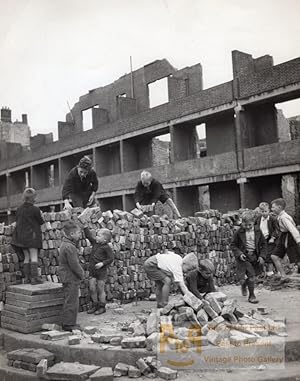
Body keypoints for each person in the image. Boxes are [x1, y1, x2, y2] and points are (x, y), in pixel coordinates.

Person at [231, 211, 267, 304]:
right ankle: (252, 295)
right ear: (242, 223)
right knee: (251, 275)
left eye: (249, 225)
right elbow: (233, 245)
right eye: (245, 224)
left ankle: (244, 284)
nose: (247, 227)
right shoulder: (239, 232)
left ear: (253, 223)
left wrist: (262, 256)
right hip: (244, 257)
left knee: (255, 274)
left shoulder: (258, 231)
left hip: (255, 256)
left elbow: (264, 244)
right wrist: (239, 254)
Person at [12, 188, 44, 285]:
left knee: (26, 257)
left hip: (21, 237)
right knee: (34, 256)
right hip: (32, 236)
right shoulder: (35, 209)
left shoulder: (19, 209)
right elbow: (41, 222)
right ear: (33, 198)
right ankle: (34, 279)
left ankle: (27, 279)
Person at [58, 221, 84, 331]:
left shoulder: (66, 244)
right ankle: (68, 324)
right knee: (72, 300)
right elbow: (74, 264)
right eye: (78, 233)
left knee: (70, 299)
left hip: (66, 276)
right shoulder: (70, 247)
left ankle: (68, 322)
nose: (80, 235)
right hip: (71, 277)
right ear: (72, 234)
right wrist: (81, 274)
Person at [84, 226, 114, 315]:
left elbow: (111, 258)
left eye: (98, 236)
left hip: (101, 272)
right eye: (96, 235)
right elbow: (89, 236)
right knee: (92, 288)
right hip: (93, 270)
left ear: (104, 240)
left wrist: (102, 263)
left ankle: (102, 306)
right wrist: (85, 227)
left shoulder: (106, 247)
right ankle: (95, 304)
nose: (96, 237)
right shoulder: (95, 243)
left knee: (100, 288)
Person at [271, 198, 300, 279]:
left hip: (289, 237)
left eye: (273, 207)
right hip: (283, 236)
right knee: (274, 256)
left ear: (279, 207)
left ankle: (287, 275)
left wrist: (298, 241)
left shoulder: (284, 218)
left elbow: (293, 229)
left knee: (296, 259)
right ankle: (283, 275)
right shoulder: (280, 216)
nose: (271, 209)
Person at [255, 202, 279, 277]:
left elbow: (277, 230)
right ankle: (261, 272)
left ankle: (270, 272)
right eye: (262, 212)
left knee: (269, 255)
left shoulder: (272, 219)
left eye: (266, 211)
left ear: (269, 210)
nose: (264, 213)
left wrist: (273, 237)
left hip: (270, 240)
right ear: (260, 211)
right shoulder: (258, 219)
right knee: (260, 254)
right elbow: (255, 227)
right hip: (261, 240)